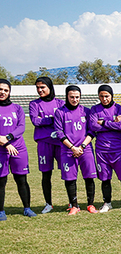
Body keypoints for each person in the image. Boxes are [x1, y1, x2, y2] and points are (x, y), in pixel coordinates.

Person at [53, 85, 97, 214]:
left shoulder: (86, 111)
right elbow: (59, 133)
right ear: (67, 97)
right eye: (72, 97)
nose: (75, 99)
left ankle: (90, 204)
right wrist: (72, 148)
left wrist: (82, 146)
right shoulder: (60, 112)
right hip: (68, 151)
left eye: (77, 97)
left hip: (85, 149)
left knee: (89, 177)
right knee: (70, 179)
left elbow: (91, 131)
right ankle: (74, 205)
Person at [89, 85, 121, 212]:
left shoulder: (120, 109)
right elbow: (93, 127)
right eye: (101, 96)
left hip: (119, 149)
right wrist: (112, 123)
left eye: (107, 96)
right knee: (105, 179)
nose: (104, 99)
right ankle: (107, 203)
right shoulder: (94, 109)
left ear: (111, 96)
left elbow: (120, 126)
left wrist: (103, 123)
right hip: (102, 150)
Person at [28, 76, 64, 213]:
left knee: (67, 173)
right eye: (38, 87)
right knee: (46, 174)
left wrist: (45, 119)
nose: (40, 90)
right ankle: (48, 203)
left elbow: (63, 120)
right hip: (44, 142)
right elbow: (35, 122)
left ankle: (72, 202)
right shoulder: (34, 104)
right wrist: (52, 118)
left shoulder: (60, 103)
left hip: (61, 143)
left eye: (42, 87)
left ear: (50, 87)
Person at [0, 79, 35, 220]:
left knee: (21, 179)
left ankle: (27, 208)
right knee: (1, 181)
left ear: (9, 92)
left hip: (18, 148)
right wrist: (5, 143)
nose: (2, 92)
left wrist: (8, 138)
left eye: (5, 90)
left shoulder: (17, 108)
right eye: (0, 89)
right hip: (1, 149)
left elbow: (21, 127)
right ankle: (1, 211)